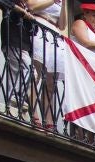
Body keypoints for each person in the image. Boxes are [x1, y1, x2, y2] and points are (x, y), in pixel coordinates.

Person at [28, 0, 67, 129]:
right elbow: (31, 7)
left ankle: (49, 119)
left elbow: (62, 25)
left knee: (50, 81)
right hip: (39, 29)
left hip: (53, 35)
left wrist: (64, 4)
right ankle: (33, 113)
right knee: (37, 74)